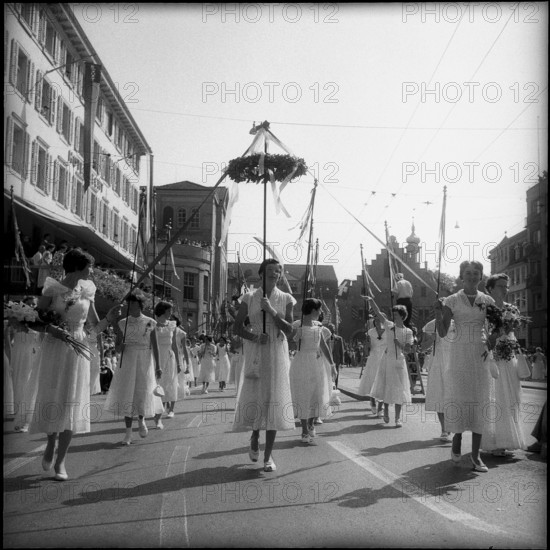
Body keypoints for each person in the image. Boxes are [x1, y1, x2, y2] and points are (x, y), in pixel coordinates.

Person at [29, 248, 120, 480]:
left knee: (72, 401)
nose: (92, 272)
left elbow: (93, 328)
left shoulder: (87, 292)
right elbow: (34, 320)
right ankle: (51, 443)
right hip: (54, 346)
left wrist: (109, 318)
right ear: (78, 267)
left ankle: (61, 461)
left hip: (78, 347)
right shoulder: (51, 288)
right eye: (89, 267)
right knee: (52, 397)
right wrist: (52, 329)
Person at [232, 258, 296, 472]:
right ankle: (254, 434)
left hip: (277, 353)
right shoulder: (249, 298)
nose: (274, 274)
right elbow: (237, 328)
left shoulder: (286, 298)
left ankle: (268, 456)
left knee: (273, 402)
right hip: (256, 352)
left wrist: (271, 310)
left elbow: (290, 330)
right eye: (270, 270)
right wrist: (253, 336)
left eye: (278, 271)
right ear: (261, 274)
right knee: (256, 399)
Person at [434, 260, 495, 473]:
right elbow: (442, 332)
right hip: (459, 351)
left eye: (476, 273)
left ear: (481, 276)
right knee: (460, 395)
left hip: (480, 352)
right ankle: (457, 437)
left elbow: (497, 326)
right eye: (468, 273)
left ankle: (476, 456)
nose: (472, 276)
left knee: (480, 397)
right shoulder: (452, 300)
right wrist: (438, 314)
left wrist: (491, 341)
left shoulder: (487, 300)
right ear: (462, 276)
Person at [104, 293, 164, 444]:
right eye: (128, 303)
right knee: (127, 394)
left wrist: (158, 366)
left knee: (142, 391)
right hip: (128, 359)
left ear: (140, 305)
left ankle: (141, 419)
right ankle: (128, 433)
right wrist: (120, 347)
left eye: (133, 303)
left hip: (145, 359)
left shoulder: (150, 322)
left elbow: (155, 347)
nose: (129, 306)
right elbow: (117, 348)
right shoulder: (122, 323)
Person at [482, 274, 528, 456]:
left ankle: (509, 439)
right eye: (501, 286)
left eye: (506, 286)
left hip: (509, 357)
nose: (505, 289)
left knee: (513, 398)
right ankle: (496, 442)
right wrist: (500, 331)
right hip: (493, 356)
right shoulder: (485, 310)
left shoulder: (512, 309)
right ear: (490, 288)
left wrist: (511, 332)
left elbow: (515, 334)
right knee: (496, 398)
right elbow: (484, 337)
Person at [290, 298, 335, 444]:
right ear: (313, 310)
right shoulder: (298, 325)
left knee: (315, 394)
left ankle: (310, 423)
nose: (321, 312)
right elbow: (289, 341)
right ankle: (304, 430)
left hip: (316, 363)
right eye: (319, 309)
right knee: (304, 394)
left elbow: (323, 346)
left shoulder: (319, 327)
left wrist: (332, 363)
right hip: (301, 362)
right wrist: (296, 337)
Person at [367, 297, 413, 428]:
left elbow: (409, 349)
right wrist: (371, 301)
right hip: (387, 360)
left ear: (402, 316)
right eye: (393, 315)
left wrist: (400, 344)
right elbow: (378, 313)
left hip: (399, 361)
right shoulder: (389, 326)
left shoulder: (408, 331)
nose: (394, 317)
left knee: (400, 388)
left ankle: (398, 418)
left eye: (397, 315)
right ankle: (385, 409)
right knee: (387, 385)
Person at [420, 316, 456, 442]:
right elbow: (423, 347)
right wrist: (431, 340)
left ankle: (452, 425)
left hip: (453, 361)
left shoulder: (456, 323)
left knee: (453, 396)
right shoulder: (430, 325)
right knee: (439, 395)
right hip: (437, 362)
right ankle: (444, 429)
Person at [10, 296, 42, 432]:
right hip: (18, 353)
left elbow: (41, 339)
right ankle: (18, 411)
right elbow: (10, 338)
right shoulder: (17, 319)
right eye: (28, 304)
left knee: (28, 382)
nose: (31, 306)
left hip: (32, 354)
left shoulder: (40, 319)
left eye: (33, 304)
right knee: (17, 381)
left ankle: (26, 417)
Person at [154, 301, 181, 418]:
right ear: (163, 310)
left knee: (171, 381)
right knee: (159, 382)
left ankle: (171, 409)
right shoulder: (152, 324)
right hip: (157, 356)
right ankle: (160, 407)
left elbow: (174, 344)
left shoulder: (172, 324)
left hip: (170, 356)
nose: (171, 313)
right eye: (169, 310)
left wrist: (179, 362)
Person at [357, 317, 386, 417]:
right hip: (373, 359)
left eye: (381, 320)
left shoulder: (389, 331)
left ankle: (380, 407)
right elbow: (366, 349)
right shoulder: (370, 332)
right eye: (377, 321)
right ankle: (372, 401)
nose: (379, 323)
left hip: (384, 359)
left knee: (383, 382)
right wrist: (367, 345)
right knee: (372, 381)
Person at [327, 323, 344, 389]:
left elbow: (341, 350)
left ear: (334, 330)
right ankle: (329, 388)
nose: (331, 330)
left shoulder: (339, 339)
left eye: (332, 328)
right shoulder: (325, 338)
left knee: (335, 375)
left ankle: (335, 388)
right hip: (327, 360)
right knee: (328, 375)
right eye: (330, 328)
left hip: (336, 360)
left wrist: (342, 362)